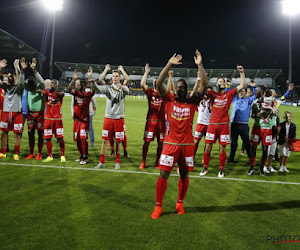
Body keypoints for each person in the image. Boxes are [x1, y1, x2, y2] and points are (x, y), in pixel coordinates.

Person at [151, 50, 207, 220]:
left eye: (184, 88)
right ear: (175, 89)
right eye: (179, 88)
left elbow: (204, 84)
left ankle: (180, 202)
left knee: (184, 175)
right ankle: (158, 206)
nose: (181, 90)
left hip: (187, 146)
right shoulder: (169, 99)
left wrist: (200, 65)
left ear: (187, 90)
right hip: (170, 144)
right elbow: (159, 83)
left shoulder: (192, 101)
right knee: (163, 175)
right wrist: (168, 64)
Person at [199, 65, 246, 178]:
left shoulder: (229, 94)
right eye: (220, 81)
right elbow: (203, 87)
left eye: (223, 81)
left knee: (222, 148)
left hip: (224, 125)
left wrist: (242, 73)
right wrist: (202, 76)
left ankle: (221, 170)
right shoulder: (212, 94)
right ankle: (205, 168)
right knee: (208, 147)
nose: (222, 82)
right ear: (217, 84)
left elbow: (242, 85)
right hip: (212, 125)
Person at [93, 64, 130, 169]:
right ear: (111, 78)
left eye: (116, 76)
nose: (114, 77)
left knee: (118, 141)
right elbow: (98, 87)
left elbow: (127, 91)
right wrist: (93, 82)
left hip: (119, 119)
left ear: (120, 78)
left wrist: (122, 85)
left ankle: (117, 161)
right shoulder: (107, 88)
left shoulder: (123, 88)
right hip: (108, 118)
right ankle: (102, 162)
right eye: (113, 76)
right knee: (104, 141)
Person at [247, 85, 277, 175]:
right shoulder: (255, 102)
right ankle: (251, 167)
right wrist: (257, 115)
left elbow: (275, 114)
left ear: (263, 92)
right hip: (257, 127)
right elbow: (251, 115)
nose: (256, 92)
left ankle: (261, 168)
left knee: (265, 149)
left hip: (267, 128)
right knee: (253, 148)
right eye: (256, 90)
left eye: (258, 91)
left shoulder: (272, 102)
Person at [139, 63, 165, 169]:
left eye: (157, 81)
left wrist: (169, 76)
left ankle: (157, 162)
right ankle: (143, 162)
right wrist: (146, 73)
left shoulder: (164, 94)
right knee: (147, 143)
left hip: (161, 123)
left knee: (161, 144)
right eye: (154, 82)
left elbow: (171, 90)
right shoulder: (150, 92)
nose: (155, 83)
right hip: (151, 122)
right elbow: (142, 84)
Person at [20, 58, 46, 160]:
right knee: (30, 134)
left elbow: (42, 81)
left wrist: (35, 71)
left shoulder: (41, 87)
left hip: (39, 114)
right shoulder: (27, 87)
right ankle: (31, 153)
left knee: (40, 134)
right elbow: (21, 83)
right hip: (30, 114)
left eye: (32, 83)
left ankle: (39, 153)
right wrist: (22, 71)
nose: (30, 85)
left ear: (35, 83)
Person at [68, 68, 94, 164]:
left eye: (78, 84)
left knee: (83, 138)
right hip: (76, 120)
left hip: (84, 120)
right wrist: (73, 80)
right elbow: (68, 89)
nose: (76, 86)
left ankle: (85, 157)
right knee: (77, 139)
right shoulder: (76, 93)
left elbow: (93, 90)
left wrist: (90, 77)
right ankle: (81, 155)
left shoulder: (87, 94)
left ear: (82, 85)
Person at [226, 80, 256, 163]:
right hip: (234, 124)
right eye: (240, 91)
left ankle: (250, 159)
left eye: (243, 91)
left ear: (246, 93)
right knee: (233, 142)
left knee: (246, 142)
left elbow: (256, 96)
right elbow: (227, 95)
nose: (241, 92)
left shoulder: (249, 101)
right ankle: (231, 158)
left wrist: (254, 87)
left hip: (244, 125)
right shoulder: (235, 99)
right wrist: (228, 86)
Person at [0, 58, 24, 160]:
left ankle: (16, 153)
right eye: (8, 76)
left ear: (15, 78)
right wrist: (0, 67)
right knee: (4, 133)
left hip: (17, 112)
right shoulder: (5, 87)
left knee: (17, 134)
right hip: (5, 112)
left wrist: (17, 68)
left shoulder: (19, 88)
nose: (9, 78)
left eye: (11, 76)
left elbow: (20, 79)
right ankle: (3, 152)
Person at [40, 78, 66, 162]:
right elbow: (44, 92)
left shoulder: (59, 94)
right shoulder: (47, 92)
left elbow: (62, 94)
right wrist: (41, 92)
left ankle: (62, 155)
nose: (52, 84)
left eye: (54, 83)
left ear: (57, 85)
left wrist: (59, 94)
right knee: (47, 138)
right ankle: (50, 156)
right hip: (48, 119)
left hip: (57, 119)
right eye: (51, 83)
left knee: (60, 138)